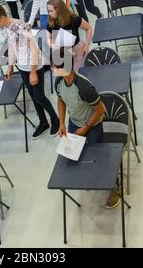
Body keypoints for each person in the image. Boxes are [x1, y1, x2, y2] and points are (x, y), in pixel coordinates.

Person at [52, 50, 120, 209]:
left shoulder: (84, 87)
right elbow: (61, 100)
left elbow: (100, 110)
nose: (52, 68)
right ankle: (88, 179)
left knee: (99, 159)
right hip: (73, 123)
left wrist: (85, 128)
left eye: (55, 66)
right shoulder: (58, 82)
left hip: (93, 126)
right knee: (75, 156)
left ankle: (113, 189)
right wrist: (62, 123)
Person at [0, 3, 59, 139]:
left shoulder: (20, 27)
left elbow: (34, 49)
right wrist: (10, 66)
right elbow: (12, 45)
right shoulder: (5, 28)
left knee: (39, 96)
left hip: (34, 66)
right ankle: (43, 123)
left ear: (1, 18)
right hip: (23, 67)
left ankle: (55, 119)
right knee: (32, 95)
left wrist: (32, 72)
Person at [46, 0, 92, 72]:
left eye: (51, 11)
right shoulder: (51, 23)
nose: (49, 13)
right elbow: (48, 39)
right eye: (48, 11)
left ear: (58, 10)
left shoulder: (75, 20)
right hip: (62, 54)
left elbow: (88, 28)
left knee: (80, 74)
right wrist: (53, 45)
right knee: (66, 76)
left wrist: (87, 46)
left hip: (77, 51)